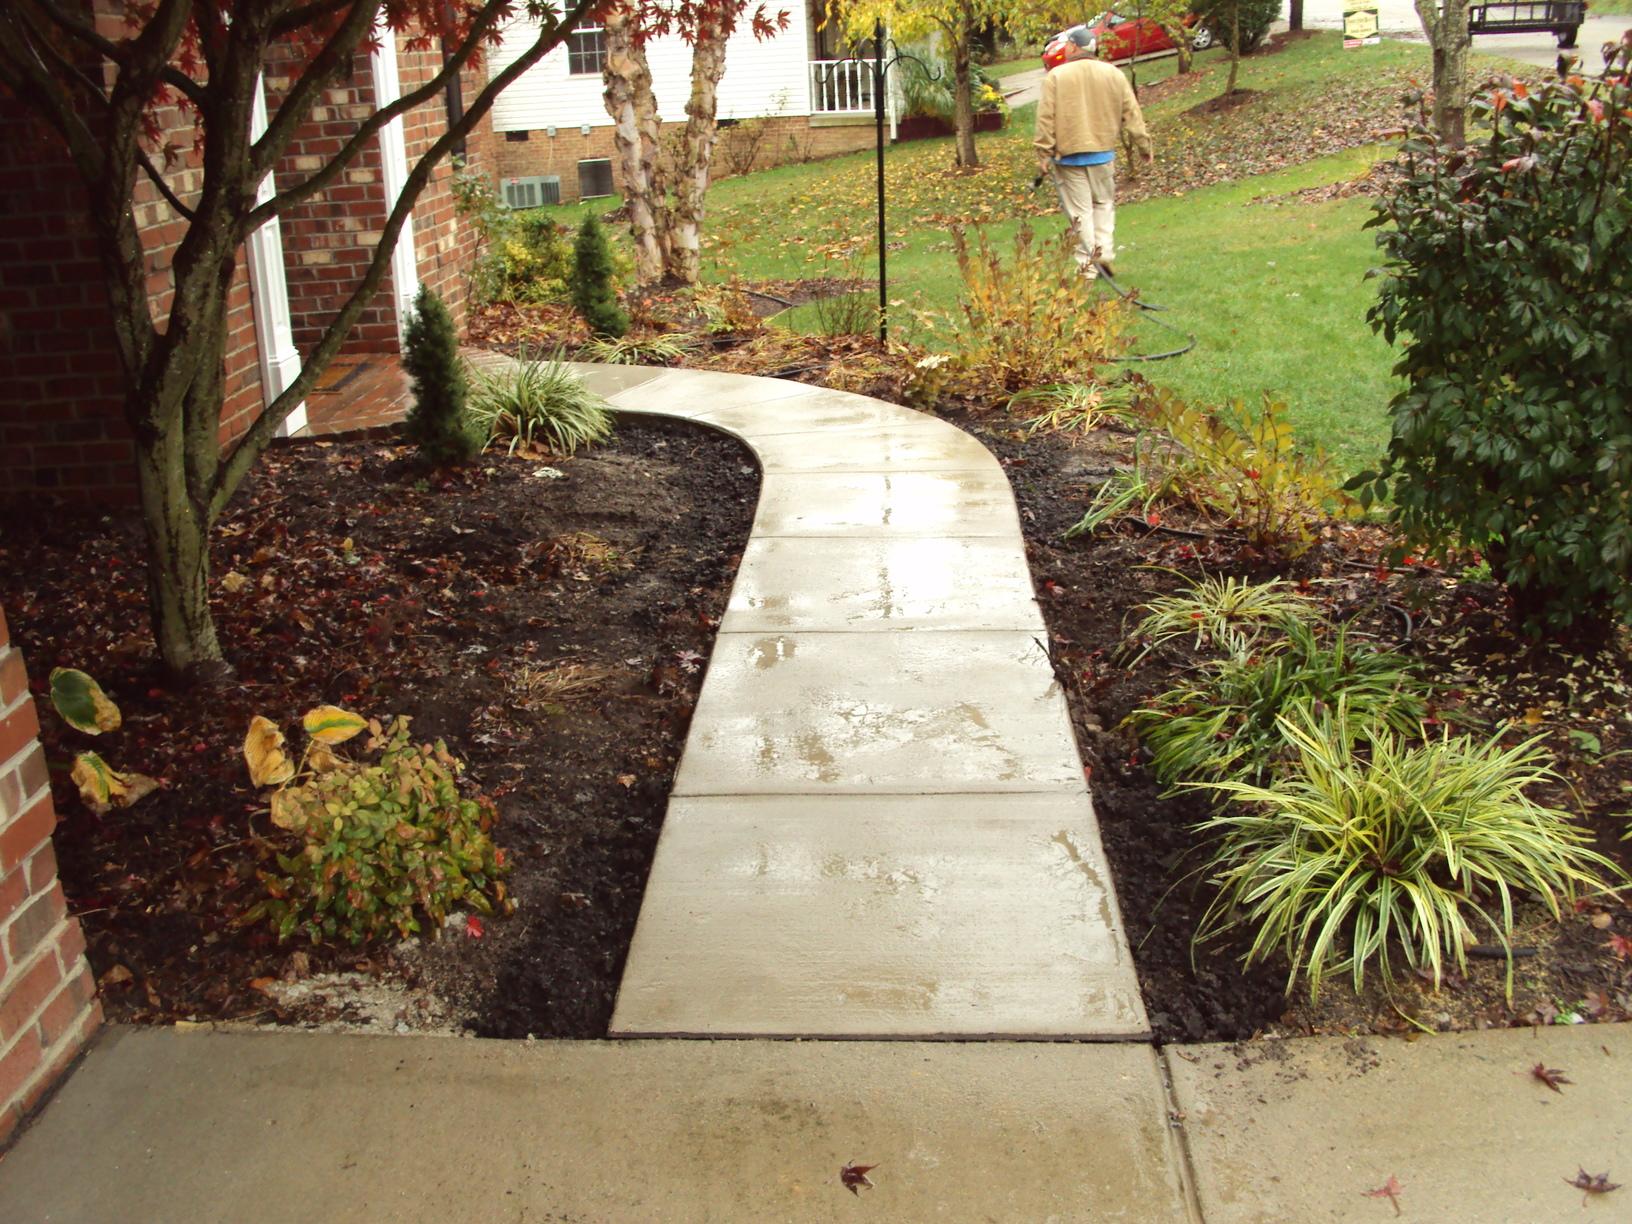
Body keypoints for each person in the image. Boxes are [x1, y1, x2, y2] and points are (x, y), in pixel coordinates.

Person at [1034, 26, 1153, 279]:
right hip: (1102, 154)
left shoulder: (1056, 77)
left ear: (1074, 47)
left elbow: (1045, 118)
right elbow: (1132, 113)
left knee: (1081, 213)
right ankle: (1104, 253)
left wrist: (1043, 154)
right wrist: (1144, 145)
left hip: (1068, 157)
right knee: (1103, 205)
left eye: (1067, 45)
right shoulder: (1113, 74)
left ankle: (1087, 267)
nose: (1065, 49)